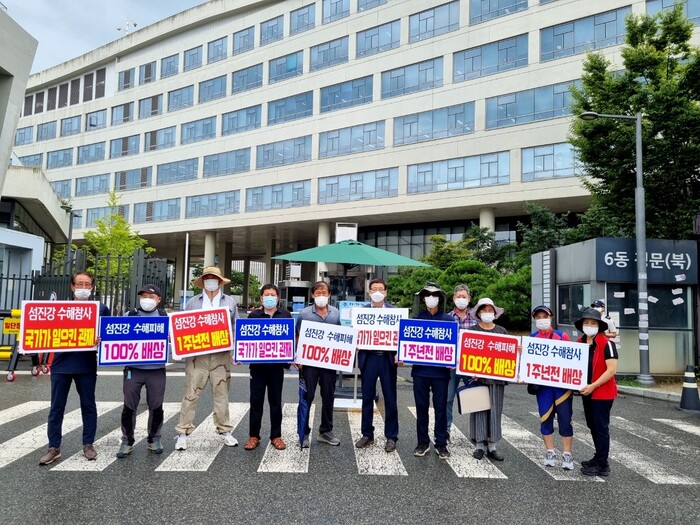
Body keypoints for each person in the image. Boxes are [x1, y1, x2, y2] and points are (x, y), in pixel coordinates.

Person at [39, 271, 111, 465]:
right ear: (72, 287)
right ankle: (54, 447)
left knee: (88, 405)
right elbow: (43, 330)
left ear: (92, 287)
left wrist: (101, 340)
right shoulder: (59, 308)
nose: (84, 288)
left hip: (86, 364)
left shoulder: (101, 309)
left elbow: (109, 336)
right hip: (61, 364)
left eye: (87, 285)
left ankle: (88, 444)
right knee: (56, 408)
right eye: (80, 284)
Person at [175, 266, 239, 450]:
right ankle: (183, 432)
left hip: (221, 356)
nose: (210, 281)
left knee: (221, 394)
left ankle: (225, 430)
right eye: (207, 278)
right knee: (190, 393)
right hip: (197, 356)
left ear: (219, 281)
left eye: (214, 278)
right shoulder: (193, 302)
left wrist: (235, 350)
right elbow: (184, 326)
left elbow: (234, 327)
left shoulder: (230, 302)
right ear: (203, 281)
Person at [116, 284, 168, 458]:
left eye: (151, 297)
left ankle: (154, 439)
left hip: (156, 369)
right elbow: (115, 336)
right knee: (129, 406)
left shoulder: (165, 317)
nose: (147, 300)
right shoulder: (129, 315)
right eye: (144, 296)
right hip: (134, 369)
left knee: (156, 406)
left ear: (158, 300)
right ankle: (127, 440)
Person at [411, 282, 455, 460]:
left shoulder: (449, 321)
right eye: (427, 295)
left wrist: (453, 360)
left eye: (434, 295)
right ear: (422, 298)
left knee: (441, 409)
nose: (431, 298)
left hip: (441, 374)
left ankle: (441, 443)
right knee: (421, 408)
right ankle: (422, 442)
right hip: (420, 372)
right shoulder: (415, 319)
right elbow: (408, 345)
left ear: (440, 298)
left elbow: (455, 346)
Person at [244, 284, 290, 452]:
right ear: (261, 298)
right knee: (256, 402)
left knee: (275, 402)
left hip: (277, 367)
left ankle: (276, 436)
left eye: (273, 294)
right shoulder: (254, 315)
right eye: (266, 294)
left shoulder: (285, 315)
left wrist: (292, 356)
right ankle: (253, 436)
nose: (269, 297)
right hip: (257, 367)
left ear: (278, 298)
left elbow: (290, 339)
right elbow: (246, 339)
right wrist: (241, 355)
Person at [355, 278, 399, 453]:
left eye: (381, 289)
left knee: (390, 398)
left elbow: (401, 336)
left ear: (386, 292)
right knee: (367, 397)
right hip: (369, 358)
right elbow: (355, 333)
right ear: (369, 292)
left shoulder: (395, 313)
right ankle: (367, 434)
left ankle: (391, 436)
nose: (378, 292)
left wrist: (400, 353)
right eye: (374, 289)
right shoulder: (361, 313)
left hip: (388, 359)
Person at [296, 281, 341, 447]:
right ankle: (304, 432)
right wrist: (298, 356)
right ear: (313, 295)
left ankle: (326, 431)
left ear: (329, 295)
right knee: (307, 396)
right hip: (309, 364)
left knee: (328, 396)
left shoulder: (335, 313)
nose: (321, 296)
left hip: (329, 363)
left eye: (324, 293)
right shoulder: (304, 313)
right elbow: (298, 335)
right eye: (318, 293)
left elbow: (340, 335)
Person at [530, 305, 574, 470]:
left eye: (544, 316)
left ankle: (567, 454)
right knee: (545, 419)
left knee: (565, 420)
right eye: (538, 317)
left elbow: (574, 359)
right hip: (543, 388)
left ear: (551, 317)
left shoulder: (562, 336)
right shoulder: (532, 338)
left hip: (562, 388)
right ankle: (550, 451)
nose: (541, 319)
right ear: (535, 319)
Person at [576, 308, 618, 476]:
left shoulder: (608, 344)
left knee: (600, 427)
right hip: (587, 392)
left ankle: (602, 464)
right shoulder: (579, 342)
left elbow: (611, 370)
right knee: (592, 425)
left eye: (593, 323)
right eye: (586, 323)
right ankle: (598, 457)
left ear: (599, 326)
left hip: (602, 393)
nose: (589, 326)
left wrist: (593, 385)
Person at [468, 298, 507, 461]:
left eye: (490, 310)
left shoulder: (502, 331)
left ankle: (492, 445)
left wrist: (517, 350)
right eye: (484, 310)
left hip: (497, 378)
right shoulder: (472, 330)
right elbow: (467, 354)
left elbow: (508, 353)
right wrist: (470, 371)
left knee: (495, 410)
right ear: (478, 313)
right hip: (478, 378)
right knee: (478, 409)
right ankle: (479, 445)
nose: (487, 313)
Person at [446, 284, 477, 439]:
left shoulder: (477, 320)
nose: (461, 299)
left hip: (471, 367)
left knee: (476, 399)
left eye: (464, 297)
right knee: (447, 398)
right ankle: (445, 432)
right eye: (458, 296)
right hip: (450, 366)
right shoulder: (446, 318)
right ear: (453, 298)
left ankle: (478, 433)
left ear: (469, 299)